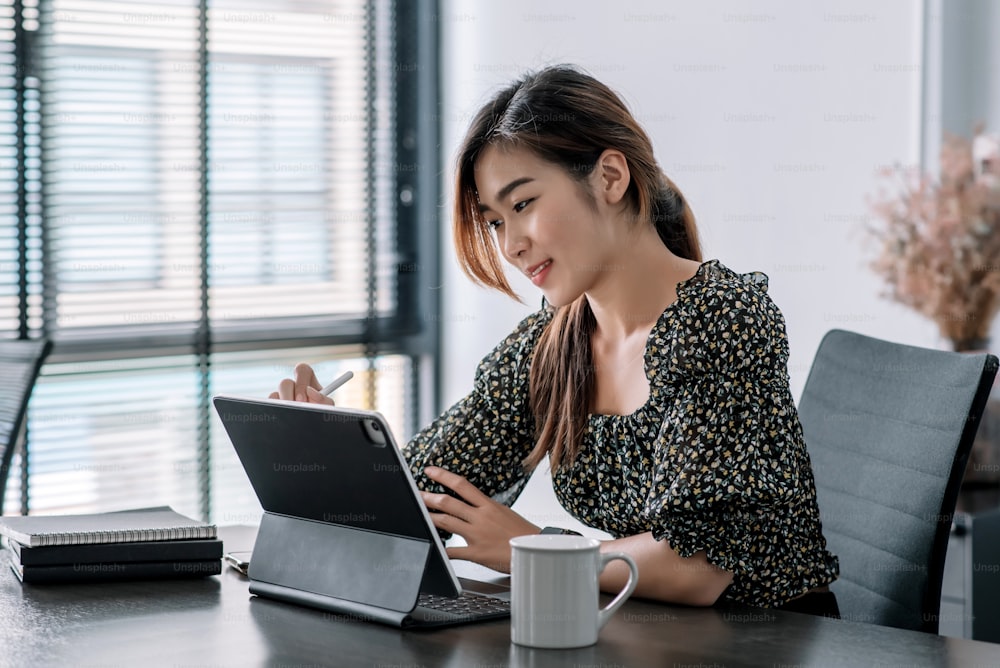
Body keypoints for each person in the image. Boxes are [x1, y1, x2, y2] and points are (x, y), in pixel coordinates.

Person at [272, 64, 840, 616]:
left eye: (522, 204)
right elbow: (431, 491)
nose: (511, 244)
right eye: (494, 221)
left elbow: (699, 566)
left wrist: (536, 550)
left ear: (610, 177)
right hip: (647, 633)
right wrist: (337, 454)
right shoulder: (551, 344)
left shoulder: (721, 319)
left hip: (776, 640)